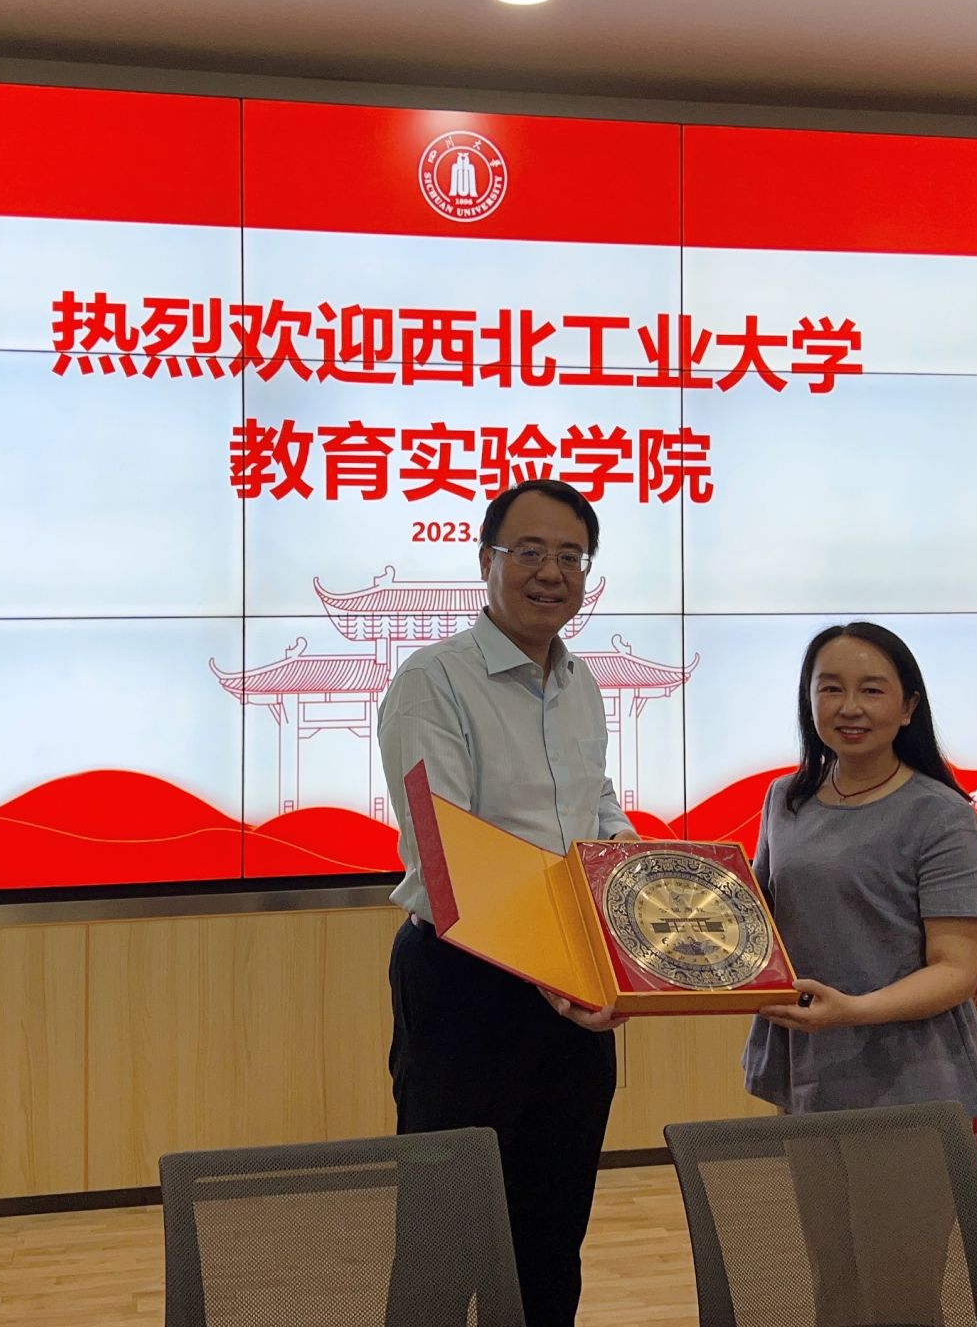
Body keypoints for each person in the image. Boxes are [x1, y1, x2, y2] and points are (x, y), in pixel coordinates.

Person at [378, 478, 633, 1327]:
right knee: (444, 1242)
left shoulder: (580, 683)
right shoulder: (433, 680)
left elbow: (595, 809)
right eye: (528, 551)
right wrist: (561, 964)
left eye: (571, 556)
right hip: (466, 982)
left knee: (551, 1240)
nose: (550, 572)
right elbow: (447, 852)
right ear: (485, 561)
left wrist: (636, 893)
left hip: (574, 987)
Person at [743, 620, 977, 1118]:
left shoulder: (942, 815)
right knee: (813, 1175)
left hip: (907, 1076)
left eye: (872, 690)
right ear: (808, 701)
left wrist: (854, 1011)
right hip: (803, 1056)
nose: (850, 707)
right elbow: (755, 919)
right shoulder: (785, 798)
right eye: (830, 689)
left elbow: (956, 971)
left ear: (908, 708)